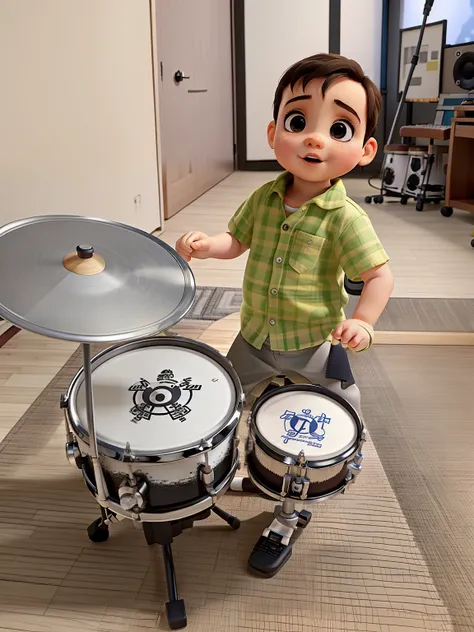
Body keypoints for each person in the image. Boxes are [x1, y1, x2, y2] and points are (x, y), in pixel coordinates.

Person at [176, 53, 394, 414]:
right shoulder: (264, 198)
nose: (314, 139)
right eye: (298, 122)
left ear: (365, 150)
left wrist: (363, 322)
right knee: (222, 394)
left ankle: (346, 448)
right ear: (273, 132)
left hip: (313, 343)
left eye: (339, 130)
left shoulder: (345, 218)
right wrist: (208, 245)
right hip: (254, 338)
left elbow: (379, 275)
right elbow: (237, 240)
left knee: (343, 403)